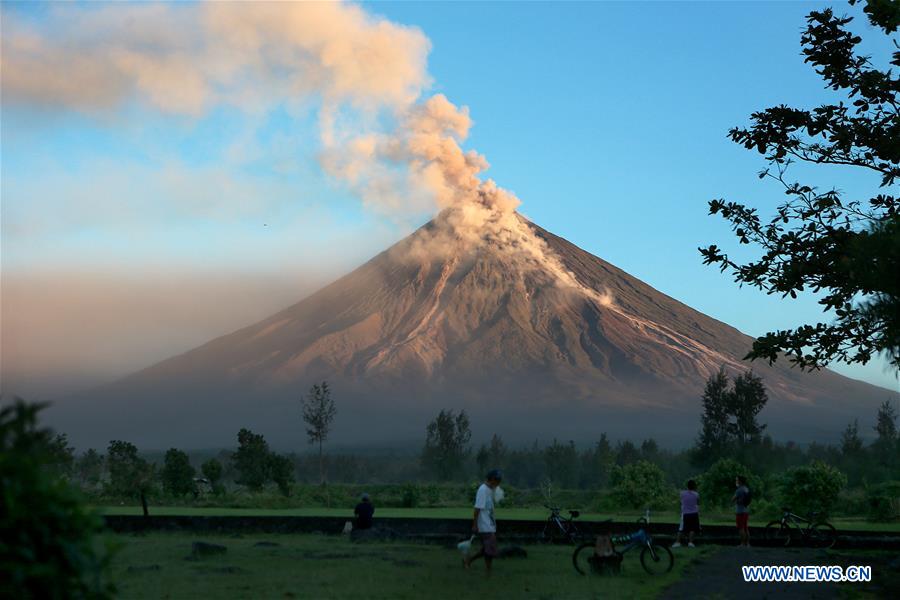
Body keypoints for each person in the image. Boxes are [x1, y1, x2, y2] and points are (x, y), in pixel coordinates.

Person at [463, 469, 502, 575]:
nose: (499, 483)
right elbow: (477, 509)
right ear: (493, 480)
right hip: (484, 525)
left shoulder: (490, 490)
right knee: (490, 548)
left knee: (486, 549)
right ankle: (488, 571)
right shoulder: (483, 490)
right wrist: (475, 525)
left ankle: (468, 560)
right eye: (498, 481)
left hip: (490, 524)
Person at [672, 479, 700, 548]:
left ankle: (678, 542)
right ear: (694, 486)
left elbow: (681, 501)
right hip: (694, 513)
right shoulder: (696, 494)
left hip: (685, 513)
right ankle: (690, 542)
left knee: (681, 528)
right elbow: (698, 502)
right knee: (692, 528)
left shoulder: (682, 493)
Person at [733, 475, 751, 547]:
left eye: (737, 480)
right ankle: (747, 543)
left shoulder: (739, 490)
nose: (736, 481)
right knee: (745, 527)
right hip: (746, 510)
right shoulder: (746, 489)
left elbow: (733, 499)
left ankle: (743, 543)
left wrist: (736, 500)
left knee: (741, 528)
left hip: (740, 511)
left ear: (740, 481)